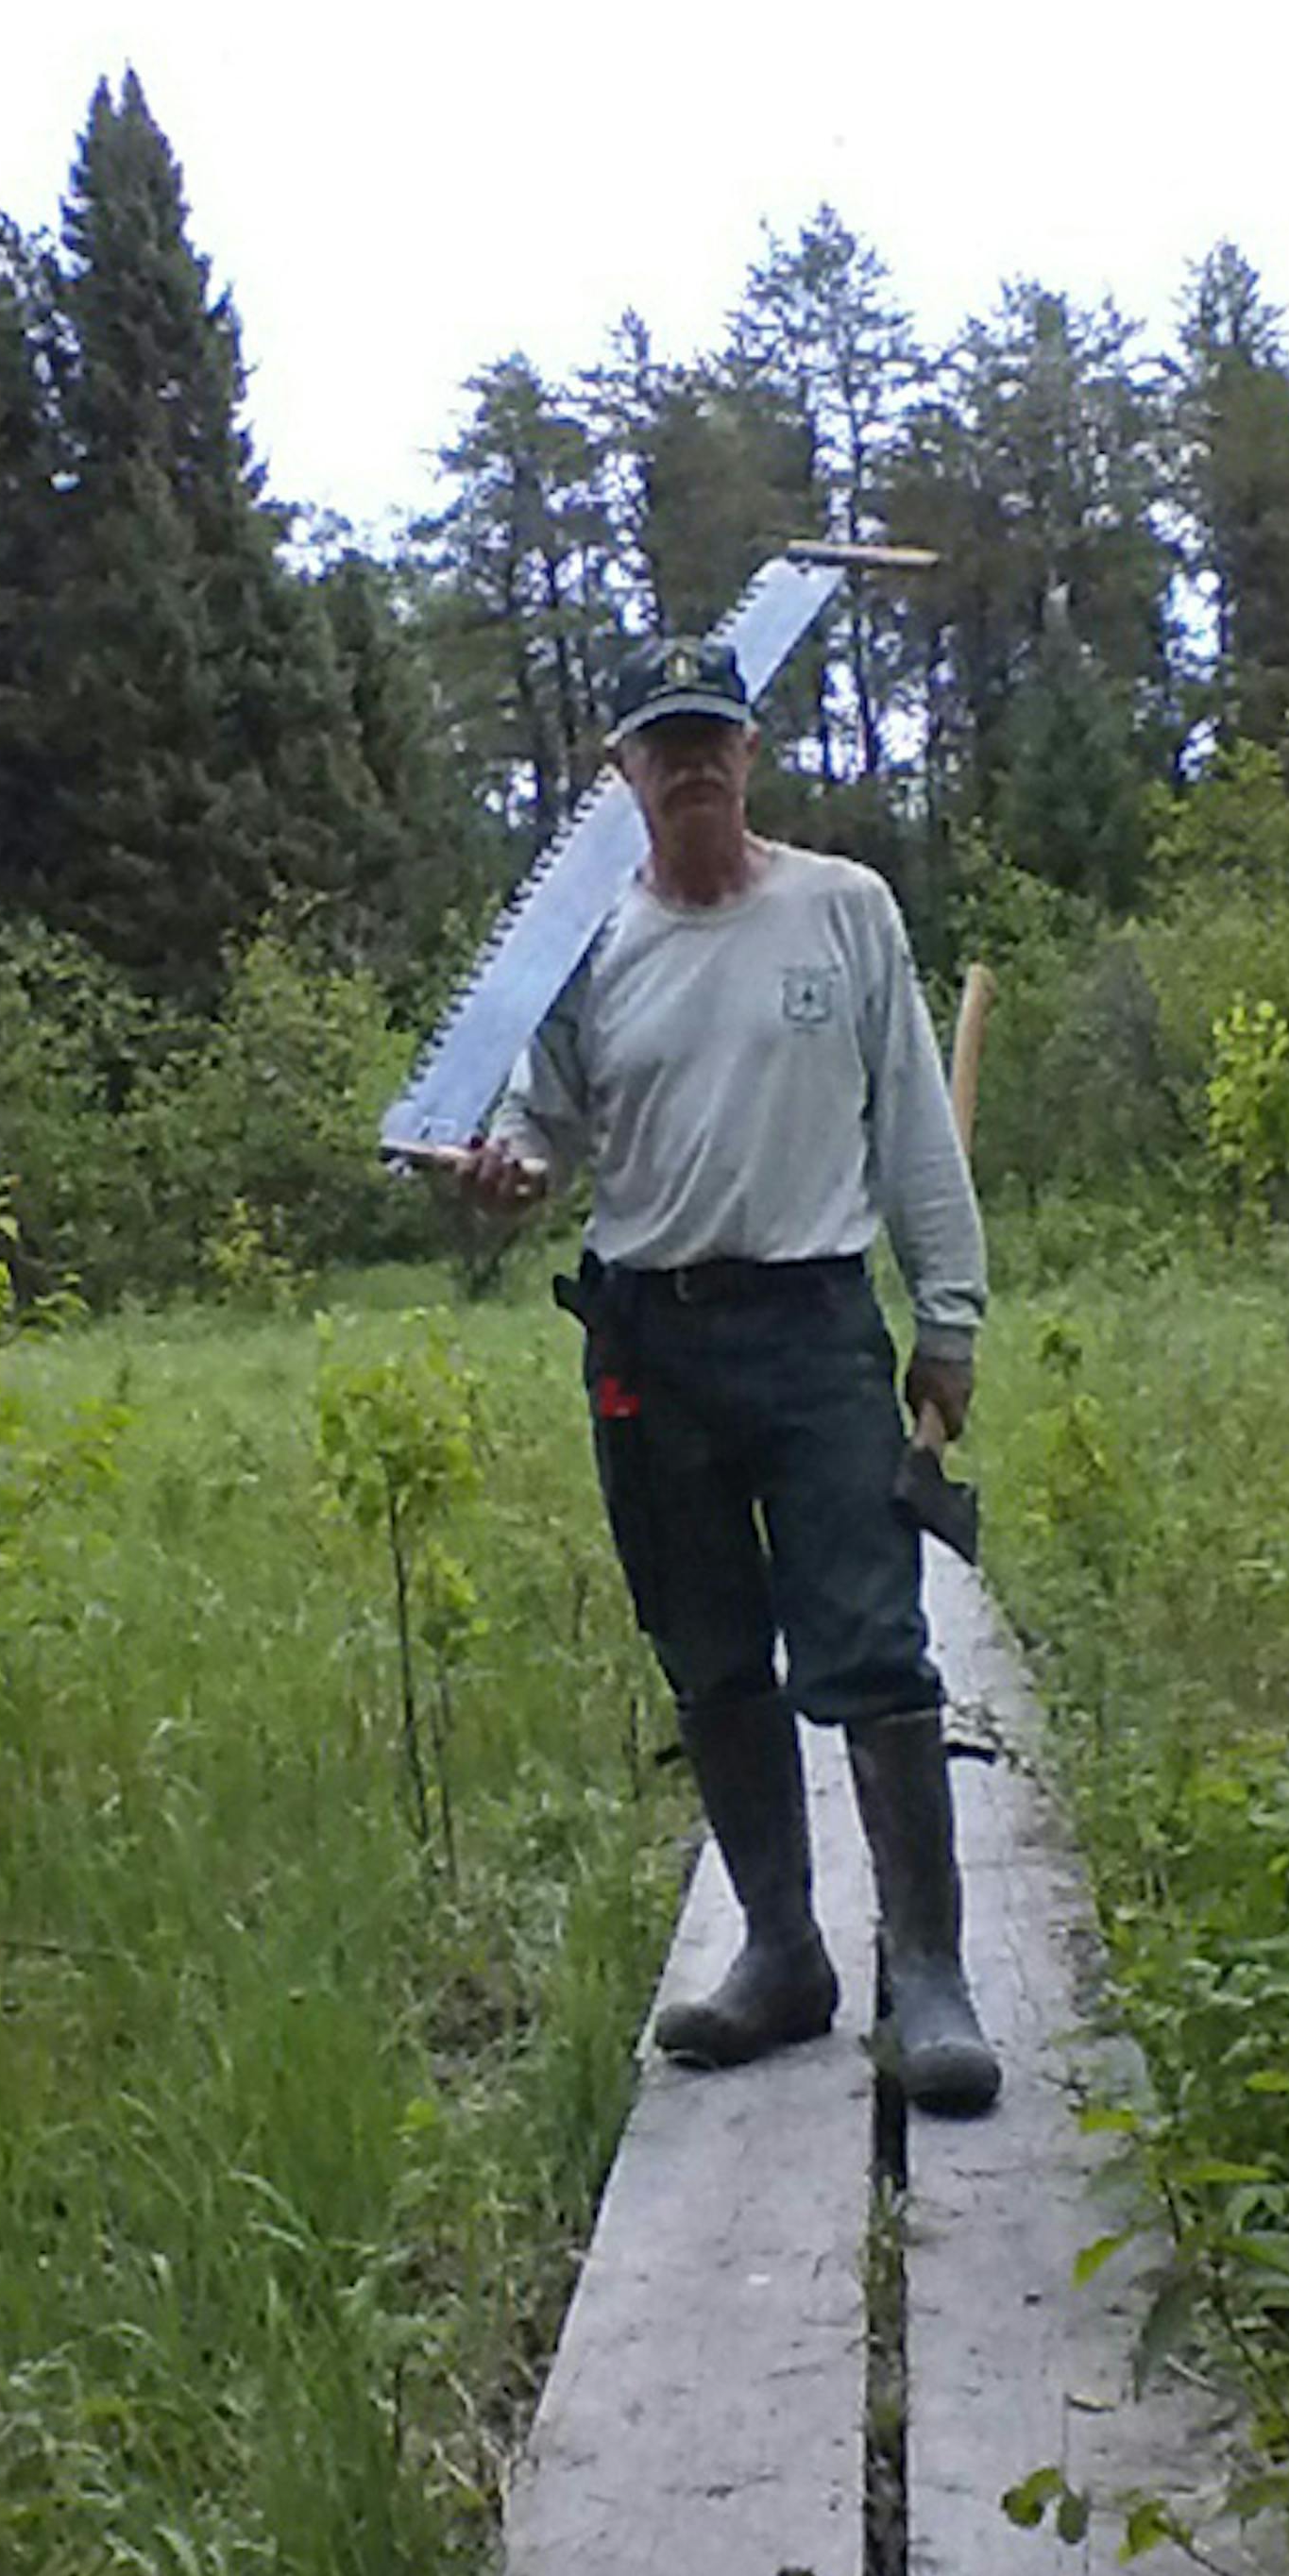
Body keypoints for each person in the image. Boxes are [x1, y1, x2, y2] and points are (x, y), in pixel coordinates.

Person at [461, 632, 999, 2115]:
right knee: (706, 1650)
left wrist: (948, 1322)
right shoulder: (585, 951)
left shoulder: (844, 909)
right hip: (650, 1342)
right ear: (624, 770)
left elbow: (915, 1130)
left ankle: (930, 1976)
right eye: (666, 744)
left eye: (715, 738)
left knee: (872, 1643)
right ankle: (781, 1954)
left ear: (750, 754)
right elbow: (539, 1128)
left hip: (817, 1328)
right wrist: (506, 1173)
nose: (693, 764)